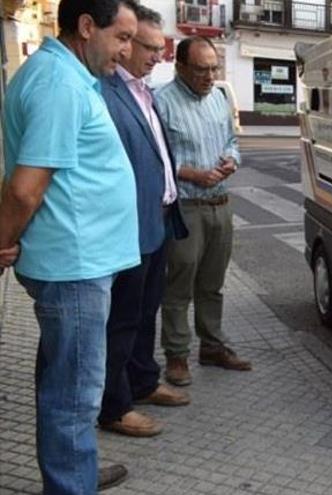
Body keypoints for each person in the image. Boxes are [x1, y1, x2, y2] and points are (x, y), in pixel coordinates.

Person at [0, 0, 140, 492]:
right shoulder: (59, 84)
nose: (127, 51)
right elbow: (24, 187)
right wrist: (3, 241)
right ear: (86, 27)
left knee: (64, 382)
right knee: (75, 395)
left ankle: (73, 467)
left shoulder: (68, 76)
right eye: (121, 37)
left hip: (78, 262)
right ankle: (70, 482)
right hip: (74, 267)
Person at [97, 4, 191, 439]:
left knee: (145, 312)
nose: (158, 56)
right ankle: (114, 406)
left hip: (157, 221)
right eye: (150, 48)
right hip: (127, 227)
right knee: (122, 321)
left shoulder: (143, 90)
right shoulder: (105, 90)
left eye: (162, 48)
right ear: (127, 42)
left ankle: (143, 381)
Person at [155, 36, 251, 387]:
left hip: (221, 205)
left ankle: (212, 346)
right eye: (201, 69)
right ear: (180, 67)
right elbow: (157, 157)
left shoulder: (219, 98)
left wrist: (231, 161)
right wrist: (192, 173)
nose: (210, 76)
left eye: (214, 68)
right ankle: (177, 356)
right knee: (179, 284)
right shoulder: (161, 103)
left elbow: (232, 142)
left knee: (213, 284)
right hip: (186, 208)